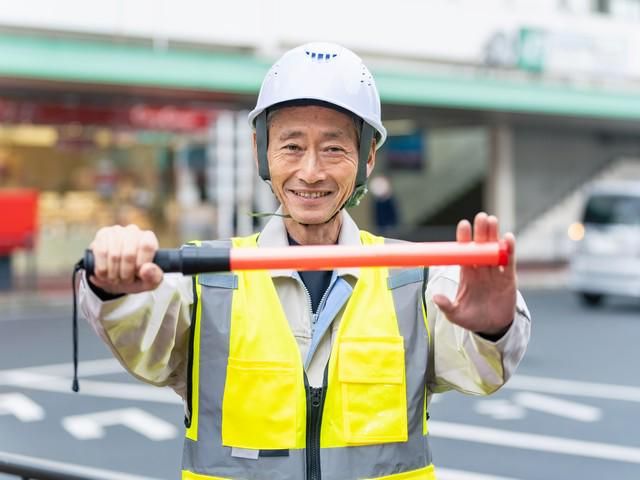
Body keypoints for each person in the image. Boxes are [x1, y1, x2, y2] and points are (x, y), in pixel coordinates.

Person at [79, 42, 531, 480]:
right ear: (261, 152)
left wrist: (491, 327)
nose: (311, 171)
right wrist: (114, 286)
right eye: (292, 146)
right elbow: (143, 339)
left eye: (334, 148)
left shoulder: (414, 278)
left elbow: (480, 369)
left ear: (367, 158)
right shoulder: (206, 276)